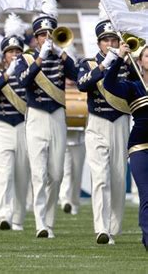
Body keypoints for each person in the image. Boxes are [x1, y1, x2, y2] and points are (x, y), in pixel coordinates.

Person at [14, 0, 78, 238]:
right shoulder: (28, 58)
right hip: (37, 117)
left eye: (50, 33)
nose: (47, 38)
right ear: (35, 38)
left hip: (58, 116)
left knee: (57, 173)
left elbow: (78, 79)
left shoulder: (61, 58)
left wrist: (63, 52)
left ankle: (49, 220)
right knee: (39, 172)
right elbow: (23, 81)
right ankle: (42, 223)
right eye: (42, 35)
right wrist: (41, 58)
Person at [77, 9, 131, 245]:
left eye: (113, 39)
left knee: (118, 178)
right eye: (106, 40)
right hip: (97, 122)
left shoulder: (129, 65)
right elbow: (82, 84)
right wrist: (107, 63)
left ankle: (114, 227)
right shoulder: (88, 63)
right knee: (100, 177)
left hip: (120, 121)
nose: (110, 43)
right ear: (98, 42)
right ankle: (102, 229)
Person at [0, 13, 30, 231]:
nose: (14, 55)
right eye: (10, 52)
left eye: (17, 51)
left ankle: (19, 218)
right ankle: (4, 214)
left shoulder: (28, 75)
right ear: (4, 56)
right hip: (3, 126)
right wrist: (6, 75)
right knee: (5, 173)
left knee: (22, 174)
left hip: (23, 126)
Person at [103, 45, 148, 250]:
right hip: (140, 146)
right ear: (140, 61)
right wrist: (119, 58)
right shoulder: (133, 87)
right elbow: (109, 84)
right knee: (147, 194)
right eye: (147, 56)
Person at [59, 78, 86, 216]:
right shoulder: (59, 92)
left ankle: (74, 202)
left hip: (79, 138)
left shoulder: (82, 93)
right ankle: (65, 200)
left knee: (77, 172)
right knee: (66, 171)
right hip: (64, 139)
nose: (69, 82)